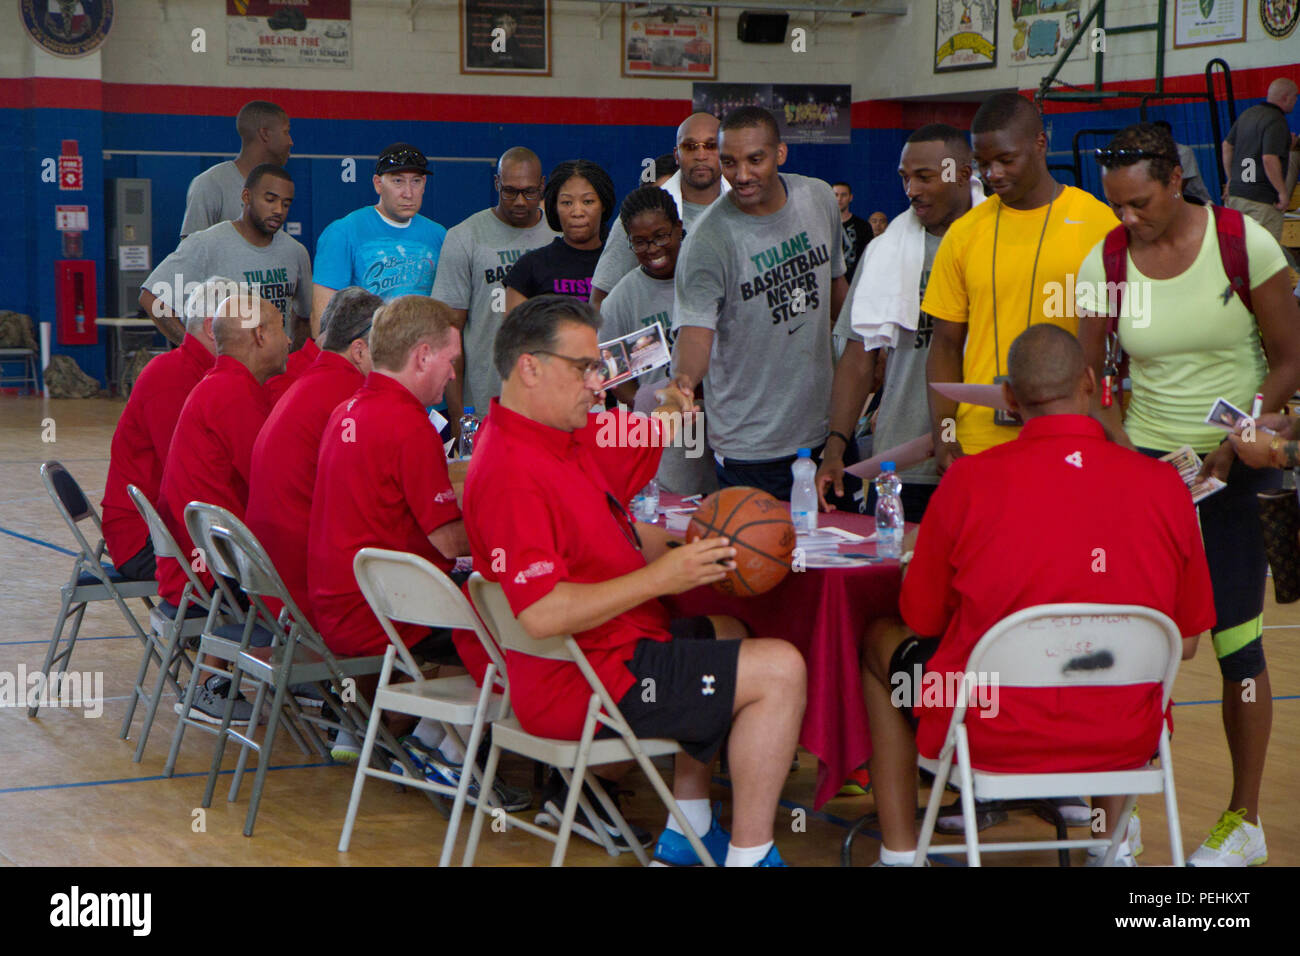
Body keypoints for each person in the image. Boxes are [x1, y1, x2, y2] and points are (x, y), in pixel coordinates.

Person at [464, 295, 806, 867]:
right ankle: (752, 853)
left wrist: (674, 405)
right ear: (530, 366)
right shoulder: (511, 472)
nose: (597, 385)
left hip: (599, 657)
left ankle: (687, 826)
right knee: (781, 668)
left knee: (725, 631)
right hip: (585, 682)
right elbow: (542, 612)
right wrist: (661, 576)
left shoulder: (558, 437)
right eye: (584, 369)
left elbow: (638, 447)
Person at [862, 325, 1215, 867]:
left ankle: (900, 854)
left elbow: (922, 618)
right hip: (1127, 736)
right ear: (1093, 383)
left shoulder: (968, 482)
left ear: (1008, 398)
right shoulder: (1164, 485)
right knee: (1113, 672)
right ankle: (1108, 847)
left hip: (990, 728)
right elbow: (1185, 643)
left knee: (880, 642)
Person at [1077, 122, 1300, 866]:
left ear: (1176, 181)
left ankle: (1243, 822)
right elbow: (1091, 378)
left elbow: (1291, 355)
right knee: (1135, 647)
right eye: (1117, 206)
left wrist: (1247, 430)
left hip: (1238, 468)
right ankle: (1119, 816)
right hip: (1146, 471)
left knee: (1237, 643)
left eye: (1140, 202)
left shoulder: (1244, 243)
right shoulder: (1105, 259)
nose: (1128, 219)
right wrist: (1118, 449)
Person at [922, 92, 1117, 472]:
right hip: (980, 444)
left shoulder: (1099, 225)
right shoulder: (964, 234)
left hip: (1069, 439)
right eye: (983, 164)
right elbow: (944, 347)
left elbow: (1120, 346)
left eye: (1006, 160)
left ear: (1040, 143)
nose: (993, 174)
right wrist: (945, 435)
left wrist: (1108, 428)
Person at [671, 106, 854, 505]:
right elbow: (696, 334)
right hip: (750, 446)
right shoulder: (707, 241)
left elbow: (837, 289)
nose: (741, 175)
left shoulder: (818, 198)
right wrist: (682, 382)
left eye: (756, 160)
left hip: (826, 433)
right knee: (758, 565)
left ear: (781, 154)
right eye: (729, 162)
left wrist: (867, 354)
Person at [818, 125, 982, 523]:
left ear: (961, 174)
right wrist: (837, 445)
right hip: (899, 463)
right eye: (904, 178)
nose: (911, 190)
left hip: (980, 456)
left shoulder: (995, 243)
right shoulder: (884, 252)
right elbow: (859, 357)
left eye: (924, 177)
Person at [157, 289, 289, 724]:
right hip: (217, 569)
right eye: (283, 329)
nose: (290, 341)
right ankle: (317, 682)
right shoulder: (234, 394)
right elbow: (272, 484)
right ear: (260, 336)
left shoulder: (221, 384)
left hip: (202, 556)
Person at [246, 287, 381, 620]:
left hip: (266, 574)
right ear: (360, 350)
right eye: (387, 344)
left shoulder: (308, 382)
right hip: (303, 585)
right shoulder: (351, 396)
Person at [100, 277, 224, 580]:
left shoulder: (200, 374)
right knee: (253, 574)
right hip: (144, 540)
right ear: (213, 328)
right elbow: (187, 479)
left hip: (163, 525)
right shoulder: (172, 380)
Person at [600, 186, 716, 496]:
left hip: (719, 418)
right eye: (640, 242)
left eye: (661, 236)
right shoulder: (621, 299)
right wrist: (646, 406)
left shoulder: (709, 277)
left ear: (679, 229)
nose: (652, 248)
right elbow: (613, 376)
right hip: (667, 431)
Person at [430, 147, 556, 425]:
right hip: (484, 404)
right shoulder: (464, 237)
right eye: (510, 191)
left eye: (529, 192)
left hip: (551, 402)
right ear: (497, 183)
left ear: (543, 186)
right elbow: (449, 333)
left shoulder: (558, 237)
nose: (520, 201)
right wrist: (457, 416)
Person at [141, 164, 312, 347]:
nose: (279, 210)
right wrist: (194, 351)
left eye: (286, 204)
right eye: (270, 200)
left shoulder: (295, 252)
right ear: (246, 196)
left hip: (276, 371)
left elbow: (304, 317)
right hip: (227, 370)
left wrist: (293, 362)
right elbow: (151, 298)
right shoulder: (207, 244)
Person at [589, 112, 731, 308]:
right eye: (690, 147)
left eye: (711, 145)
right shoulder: (640, 213)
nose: (701, 155)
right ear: (677, 155)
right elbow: (600, 300)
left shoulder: (746, 207)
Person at [312, 143, 447, 338]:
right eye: (398, 181)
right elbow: (323, 320)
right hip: (365, 357)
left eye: (416, 181)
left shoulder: (439, 235)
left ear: (424, 184)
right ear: (378, 184)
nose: (408, 192)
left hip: (421, 354)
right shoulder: (342, 232)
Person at [503, 159, 615, 310]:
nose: (577, 212)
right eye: (567, 202)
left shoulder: (619, 265)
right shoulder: (530, 267)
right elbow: (512, 331)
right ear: (554, 207)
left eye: (588, 201)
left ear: (603, 205)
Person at [180, 100, 291, 240]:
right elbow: (190, 253)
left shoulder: (276, 188)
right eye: (286, 132)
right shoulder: (211, 183)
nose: (290, 142)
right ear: (265, 134)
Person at [1221, 78, 1299, 244]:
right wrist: (1282, 192)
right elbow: (1269, 158)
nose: (1295, 101)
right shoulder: (1276, 120)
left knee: (1241, 250)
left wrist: (1230, 179)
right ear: (1286, 98)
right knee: (1265, 254)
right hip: (1262, 201)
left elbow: (1227, 146)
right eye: (1295, 97)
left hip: (1237, 195)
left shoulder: (1247, 114)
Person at [1152, 120, 1213, 205]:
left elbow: (1180, 186)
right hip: (1173, 199)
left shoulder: (1183, 152)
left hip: (1195, 200)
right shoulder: (1155, 155)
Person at [832, 181, 871, 280]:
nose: (839, 199)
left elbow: (868, 258)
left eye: (843, 195)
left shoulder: (863, 226)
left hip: (854, 282)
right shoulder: (823, 225)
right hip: (828, 284)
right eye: (835, 195)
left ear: (851, 197)